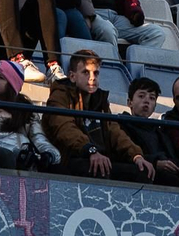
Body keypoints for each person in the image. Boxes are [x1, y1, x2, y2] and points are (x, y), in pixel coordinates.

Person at [42, 51, 155, 181]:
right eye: (86, 72)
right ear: (72, 76)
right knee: (98, 170)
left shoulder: (101, 100)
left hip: (101, 158)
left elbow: (114, 131)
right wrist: (90, 150)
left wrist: (136, 155)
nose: (92, 78)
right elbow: (64, 128)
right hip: (73, 159)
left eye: (96, 73)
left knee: (143, 172)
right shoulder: (60, 96)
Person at [0, 59, 62, 171]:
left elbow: (38, 137)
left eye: (1, 77)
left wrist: (50, 154)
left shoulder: (26, 109)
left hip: (27, 159)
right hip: (0, 161)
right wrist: (17, 153)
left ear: (12, 85)